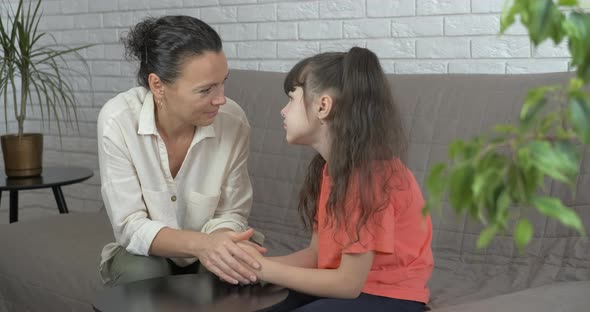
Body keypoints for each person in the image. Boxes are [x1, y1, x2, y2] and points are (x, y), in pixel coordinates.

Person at [238, 47, 434, 311]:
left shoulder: (369, 176)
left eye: (291, 98)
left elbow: (347, 284)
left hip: (387, 295)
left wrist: (265, 270)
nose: (283, 111)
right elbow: (317, 256)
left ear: (323, 106)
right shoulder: (331, 170)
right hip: (343, 288)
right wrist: (246, 265)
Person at [97, 15, 265, 287]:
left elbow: (231, 213)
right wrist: (202, 245)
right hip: (148, 255)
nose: (221, 98)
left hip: (214, 239)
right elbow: (130, 225)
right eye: (206, 89)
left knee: (231, 271)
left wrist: (219, 246)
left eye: (223, 82)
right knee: (142, 273)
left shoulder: (233, 121)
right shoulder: (118, 121)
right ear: (157, 85)